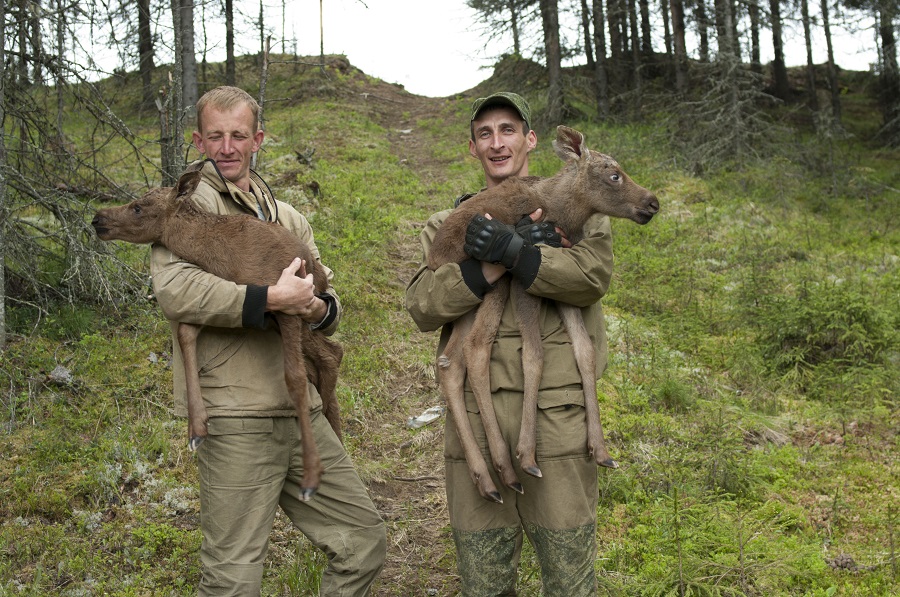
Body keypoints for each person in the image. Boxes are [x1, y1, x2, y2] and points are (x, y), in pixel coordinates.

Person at [150, 86, 386, 596]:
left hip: (300, 410)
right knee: (232, 576)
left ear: (258, 139)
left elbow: (326, 301)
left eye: (238, 136)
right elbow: (177, 290)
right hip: (236, 416)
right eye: (215, 136)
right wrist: (268, 298)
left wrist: (319, 307)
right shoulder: (182, 208)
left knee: (363, 541)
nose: (227, 147)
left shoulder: (287, 218)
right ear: (198, 139)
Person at [405, 92, 615, 595]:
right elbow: (423, 305)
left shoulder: (584, 210)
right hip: (477, 429)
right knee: (486, 583)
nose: (497, 143)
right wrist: (487, 266)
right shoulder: (446, 224)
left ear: (530, 139)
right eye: (485, 134)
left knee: (570, 582)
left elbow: (592, 277)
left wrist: (524, 252)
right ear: (472, 147)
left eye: (508, 130)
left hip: (558, 422)